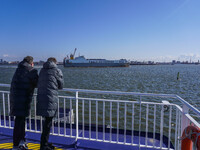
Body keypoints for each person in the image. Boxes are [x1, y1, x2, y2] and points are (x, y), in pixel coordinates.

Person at [10, 56, 38, 150]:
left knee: (18, 121)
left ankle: (17, 143)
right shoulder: (31, 70)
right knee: (21, 121)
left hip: (15, 98)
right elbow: (37, 83)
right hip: (24, 99)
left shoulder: (18, 69)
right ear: (31, 62)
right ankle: (20, 142)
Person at [36, 57, 64, 150]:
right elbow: (61, 86)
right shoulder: (57, 71)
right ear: (55, 63)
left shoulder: (42, 70)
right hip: (51, 100)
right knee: (47, 124)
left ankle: (45, 143)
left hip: (41, 98)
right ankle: (43, 146)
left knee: (46, 123)